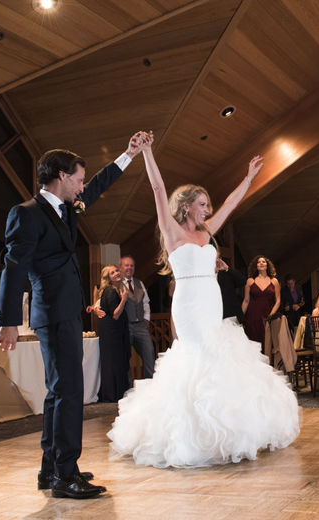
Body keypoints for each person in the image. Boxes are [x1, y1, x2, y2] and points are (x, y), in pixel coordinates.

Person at [107, 134, 299, 468]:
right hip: (188, 303)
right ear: (185, 206)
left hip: (211, 299)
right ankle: (192, 435)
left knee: (223, 357)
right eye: (202, 204)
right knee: (197, 360)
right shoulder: (172, 231)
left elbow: (231, 204)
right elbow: (157, 189)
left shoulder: (207, 232)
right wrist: (148, 152)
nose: (208, 209)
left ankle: (230, 430)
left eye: (208, 205)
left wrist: (249, 178)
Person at [0, 131, 148, 499]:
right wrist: (8, 320)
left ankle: (51, 469)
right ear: (61, 176)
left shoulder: (67, 207)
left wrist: (128, 155)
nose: (82, 186)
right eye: (78, 178)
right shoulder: (27, 214)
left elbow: (96, 188)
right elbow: (13, 268)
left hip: (66, 314)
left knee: (59, 392)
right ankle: (67, 474)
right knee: (70, 391)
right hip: (51, 313)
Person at [97, 264, 132, 402]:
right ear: (109, 278)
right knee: (114, 361)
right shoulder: (110, 291)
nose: (117, 273)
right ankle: (114, 394)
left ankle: (118, 392)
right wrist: (123, 300)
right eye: (113, 273)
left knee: (118, 361)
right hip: (112, 333)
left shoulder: (117, 288)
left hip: (116, 331)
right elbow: (115, 314)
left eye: (117, 270)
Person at [119, 255, 155, 378]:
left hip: (140, 325)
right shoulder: (117, 284)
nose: (129, 268)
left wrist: (146, 318)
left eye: (132, 265)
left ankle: (149, 384)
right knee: (124, 357)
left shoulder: (139, 283)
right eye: (126, 265)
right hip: (125, 326)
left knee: (149, 352)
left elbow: (146, 302)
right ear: (120, 267)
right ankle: (127, 387)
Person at [242, 255, 281, 345]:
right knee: (253, 343)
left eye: (263, 261)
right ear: (256, 266)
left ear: (267, 265)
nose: (261, 263)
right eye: (259, 262)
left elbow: (278, 301)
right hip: (253, 317)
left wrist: (271, 316)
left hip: (268, 316)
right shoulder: (250, 281)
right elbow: (246, 301)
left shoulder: (274, 281)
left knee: (268, 343)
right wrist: (240, 318)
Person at [216, 257, 245, 325]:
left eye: (217, 257)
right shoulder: (204, 275)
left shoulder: (226, 273)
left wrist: (227, 268)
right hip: (213, 314)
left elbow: (242, 281)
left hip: (230, 314)